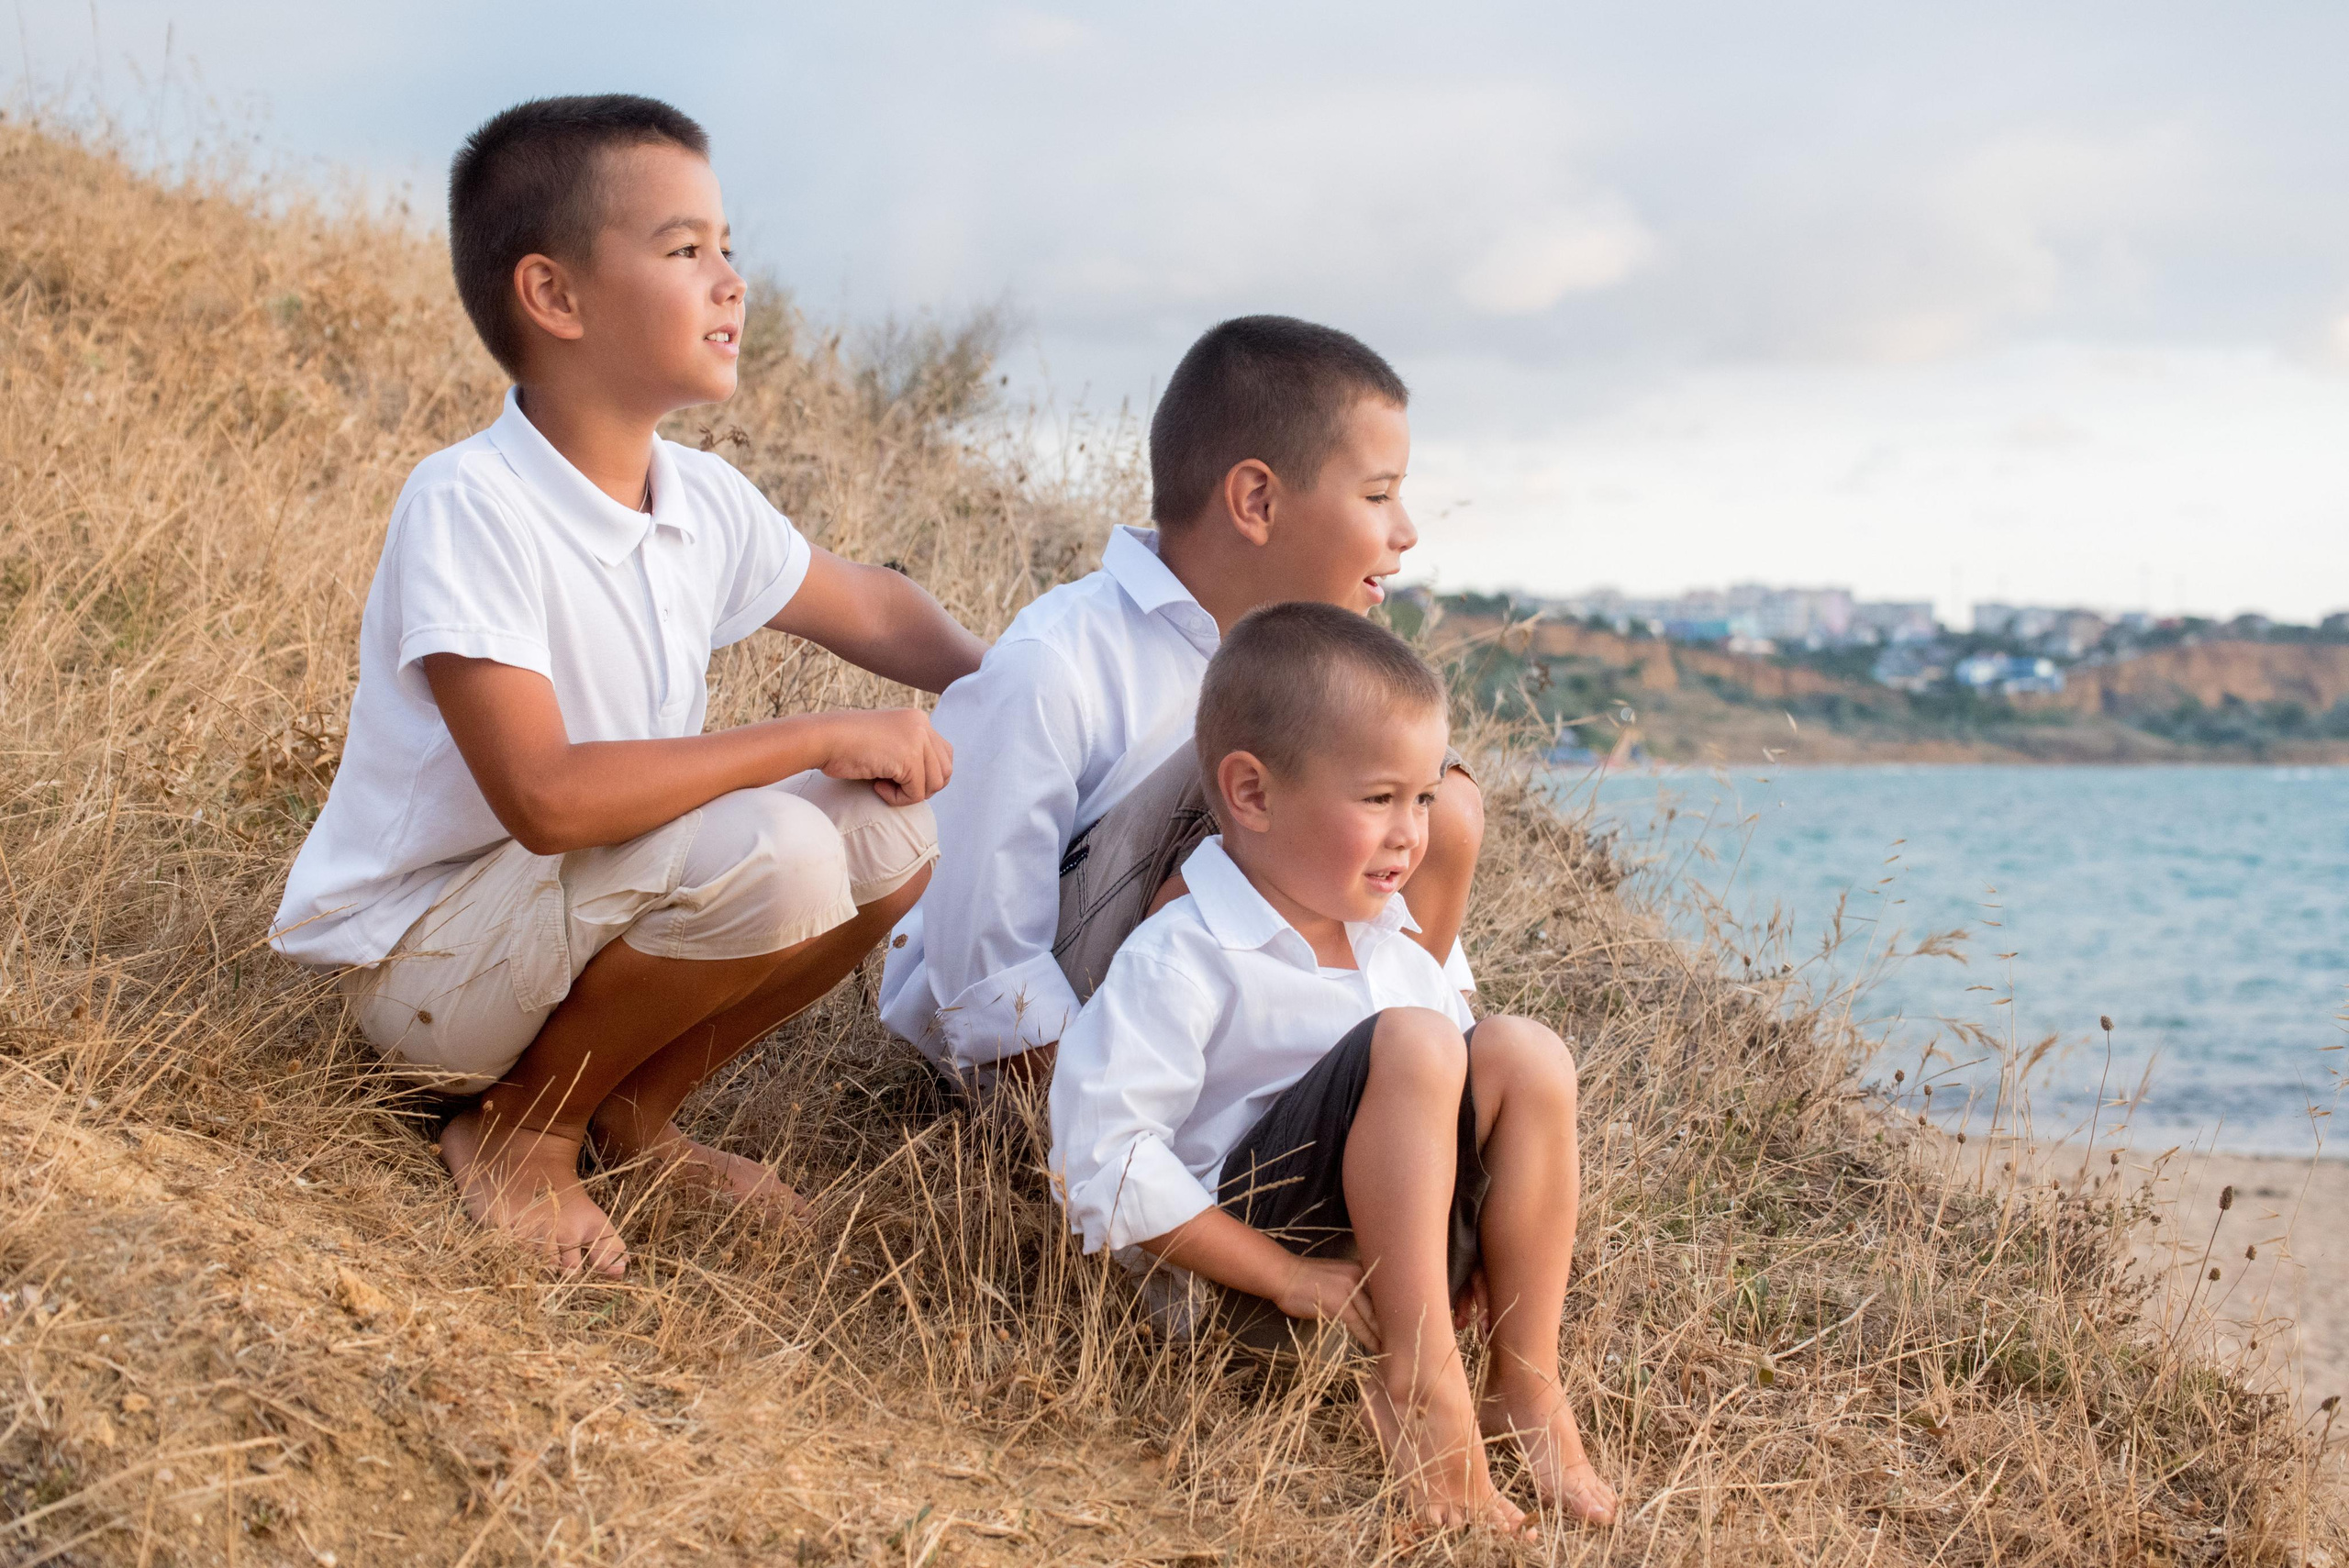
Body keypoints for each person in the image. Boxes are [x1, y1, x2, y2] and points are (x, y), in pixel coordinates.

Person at [270, 95, 984, 1278]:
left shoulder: (697, 498)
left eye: (728, 247)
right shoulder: (469, 501)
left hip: (564, 924)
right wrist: (813, 734)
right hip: (427, 969)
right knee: (779, 848)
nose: (731, 282)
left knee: (894, 826)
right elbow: (546, 798)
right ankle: (520, 1129)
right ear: (554, 296)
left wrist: (1022, 677)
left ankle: (631, 1113)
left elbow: (871, 606)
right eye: (685, 249)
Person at [1049, 604, 1616, 1533]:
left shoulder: (1392, 948)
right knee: (1420, 1043)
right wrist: (1280, 1272)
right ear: (1253, 794)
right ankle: (1422, 1386)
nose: (1411, 834)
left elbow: (1463, 1128)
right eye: (1378, 798)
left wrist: (1477, 1245)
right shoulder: (1185, 951)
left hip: (1388, 1276)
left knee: (1525, 1052)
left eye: (1423, 799)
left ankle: (1524, 1383)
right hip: (1251, 1289)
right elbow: (1102, 1157)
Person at [879, 316, 1485, 1086]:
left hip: (1247, 1051)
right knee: (1256, 755)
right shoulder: (1054, 664)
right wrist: (1108, 1123)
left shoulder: (1325, 671)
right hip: (1079, 1068)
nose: (1407, 531)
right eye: (1379, 494)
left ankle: (1372, 1095)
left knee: (1438, 801)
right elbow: (987, 972)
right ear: (1257, 501)